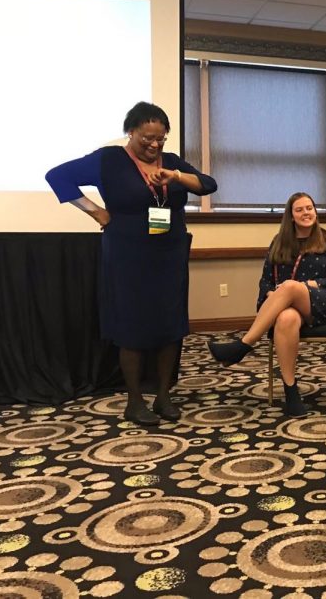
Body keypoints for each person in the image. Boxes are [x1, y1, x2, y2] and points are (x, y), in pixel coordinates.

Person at [46, 102, 217, 425]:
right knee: (132, 325)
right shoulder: (108, 160)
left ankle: (164, 395)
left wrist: (176, 175)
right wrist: (95, 211)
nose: (154, 145)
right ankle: (135, 400)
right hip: (127, 253)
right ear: (131, 132)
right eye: (147, 139)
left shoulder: (171, 162)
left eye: (160, 139)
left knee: (170, 323)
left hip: (169, 251)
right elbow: (57, 176)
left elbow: (208, 184)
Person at [208, 192, 326, 417]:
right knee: (285, 318)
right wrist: (272, 292)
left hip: (323, 304)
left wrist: (306, 284)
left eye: (309, 208)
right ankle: (291, 391)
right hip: (288, 307)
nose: (306, 213)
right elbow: (265, 280)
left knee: (291, 287)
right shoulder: (279, 242)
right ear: (291, 216)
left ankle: (244, 345)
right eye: (300, 209)